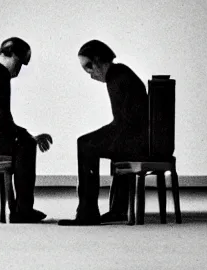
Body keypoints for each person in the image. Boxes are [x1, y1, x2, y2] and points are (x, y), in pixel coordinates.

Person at [58, 40, 148, 226]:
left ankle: (87, 212)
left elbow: (123, 123)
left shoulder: (116, 77)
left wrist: (98, 136)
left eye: (89, 66)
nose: (90, 73)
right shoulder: (120, 73)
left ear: (99, 60)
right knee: (93, 141)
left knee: (85, 143)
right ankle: (118, 209)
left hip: (134, 140)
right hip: (139, 137)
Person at [0, 37, 53, 223]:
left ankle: (17, 207)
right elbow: (3, 120)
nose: (19, 69)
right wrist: (30, 136)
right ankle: (22, 210)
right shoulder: (0, 76)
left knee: (22, 142)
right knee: (27, 146)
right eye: (19, 63)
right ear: (11, 55)